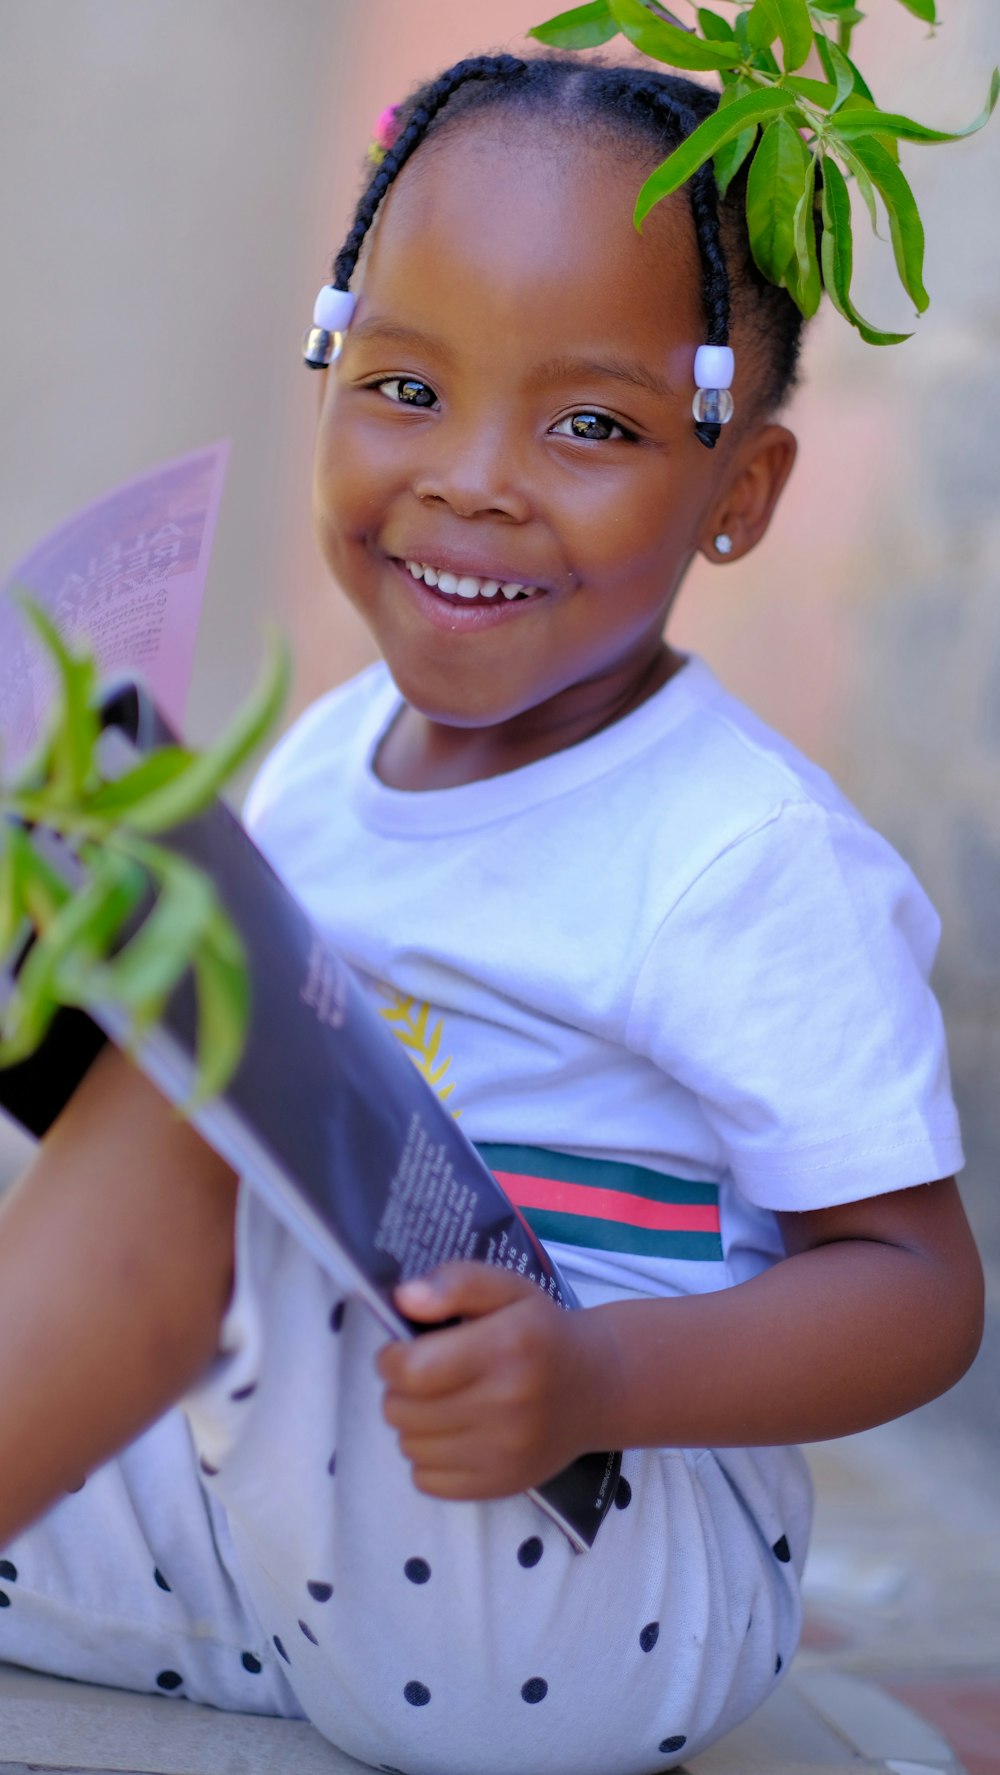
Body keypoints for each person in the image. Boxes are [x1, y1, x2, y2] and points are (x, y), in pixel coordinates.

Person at [0, 51, 984, 1775]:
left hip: (594, 1568)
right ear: (322, 373)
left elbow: (915, 1289)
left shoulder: (737, 852)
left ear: (737, 493)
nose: (473, 478)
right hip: (294, 1548)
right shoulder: (322, 760)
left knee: (192, 1083)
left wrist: (595, 1378)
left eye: (590, 423)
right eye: (402, 385)